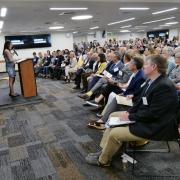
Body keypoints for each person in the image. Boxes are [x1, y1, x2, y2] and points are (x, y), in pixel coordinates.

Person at [85, 54, 179, 167]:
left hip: (156, 126)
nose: (143, 67)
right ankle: (104, 151)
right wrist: (129, 112)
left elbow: (154, 114)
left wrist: (130, 117)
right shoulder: (152, 81)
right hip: (147, 119)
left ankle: (103, 160)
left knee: (115, 133)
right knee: (114, 116)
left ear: (154, 67)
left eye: (146, 64)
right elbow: (140, 101)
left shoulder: (164, 86)